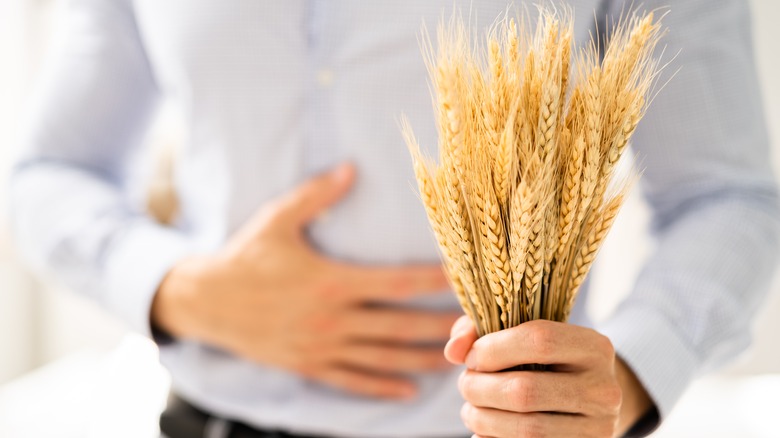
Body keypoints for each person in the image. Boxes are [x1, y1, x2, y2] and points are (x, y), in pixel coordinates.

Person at [9, 0, 778, 437]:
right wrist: (179, 288)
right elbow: (45, 172)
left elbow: (728, 197)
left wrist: (628, 378)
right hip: (212, 423)